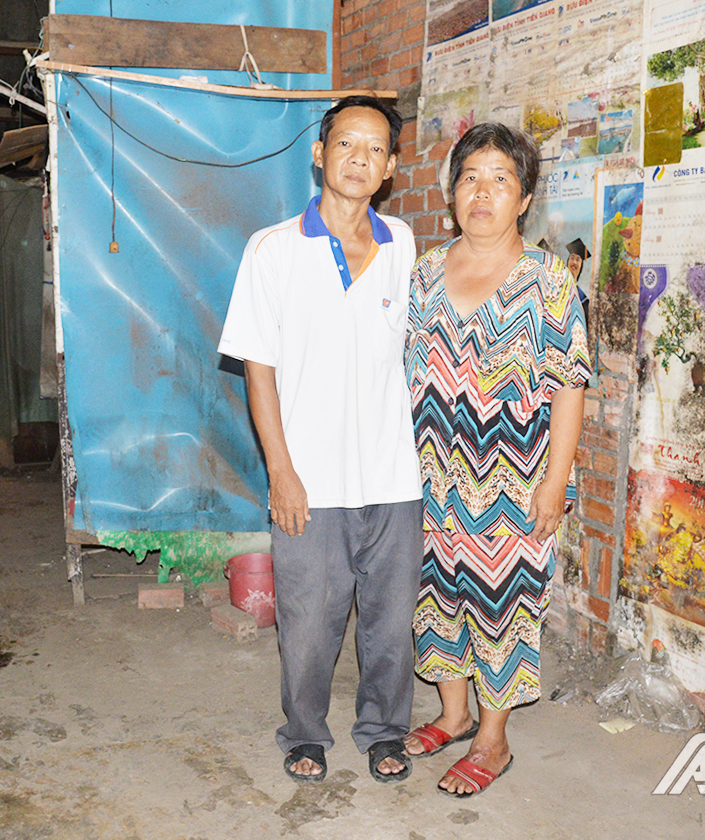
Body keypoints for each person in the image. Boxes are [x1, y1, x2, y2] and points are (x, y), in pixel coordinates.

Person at [218, 96, 422, 784]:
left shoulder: (402, 245)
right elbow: (258, 369)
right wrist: (281, 472)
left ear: (390, 168)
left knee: (390, 622)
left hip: (393, 475)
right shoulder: (273, 249)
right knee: (308, 621)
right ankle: (305, 734)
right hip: (309, 479)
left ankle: (385, 732)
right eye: (346, 144)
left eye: (375, 149)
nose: (359, 158)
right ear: (319, 153)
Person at [402, 122, 590, 797]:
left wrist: (555, 483)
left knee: (500, 605)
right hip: (429, 474)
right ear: (453, 192)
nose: (481, 193)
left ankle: (493, 737)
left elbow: (570, 386)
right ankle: (452, 715)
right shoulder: (426, 272)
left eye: (500, 180)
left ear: (524, 198)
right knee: (435, 594)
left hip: (512, 481)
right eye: (470, 178)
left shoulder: (548, 281)